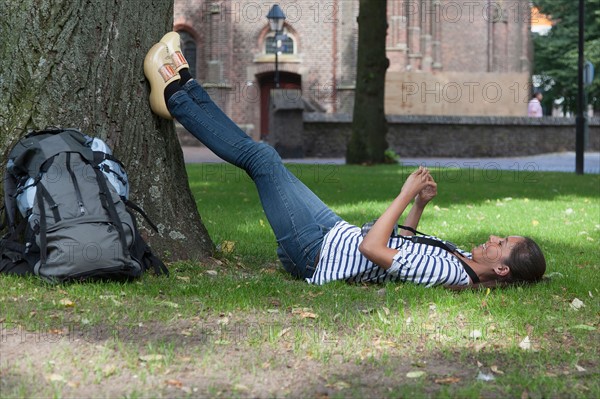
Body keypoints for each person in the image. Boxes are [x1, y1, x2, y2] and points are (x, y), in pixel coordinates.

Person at [143, 32, 547, 288]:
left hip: (314, 253)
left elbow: (374, 249)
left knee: (263, 159)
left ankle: (178, 95)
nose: (494, 238)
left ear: (502, 270)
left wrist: (404, 195)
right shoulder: (459, 257)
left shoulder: (449, 275)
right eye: (502, 236)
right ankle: (187, 89)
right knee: (269, 159)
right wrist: (419, 208)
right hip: (332, 231)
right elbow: (401, 246)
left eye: (502, 244)